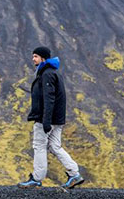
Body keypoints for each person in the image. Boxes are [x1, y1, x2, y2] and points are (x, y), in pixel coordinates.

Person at [17, 46, 85, 189]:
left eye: (35, 56)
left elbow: (49, 99)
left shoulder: (47, 74)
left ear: (43, 58)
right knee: (55, 146)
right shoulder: (52, 72)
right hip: (56, 119)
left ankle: (37, 178)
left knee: (39, 146)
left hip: (46, 119)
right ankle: (74, 174)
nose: (33, 59)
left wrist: (46, 120)